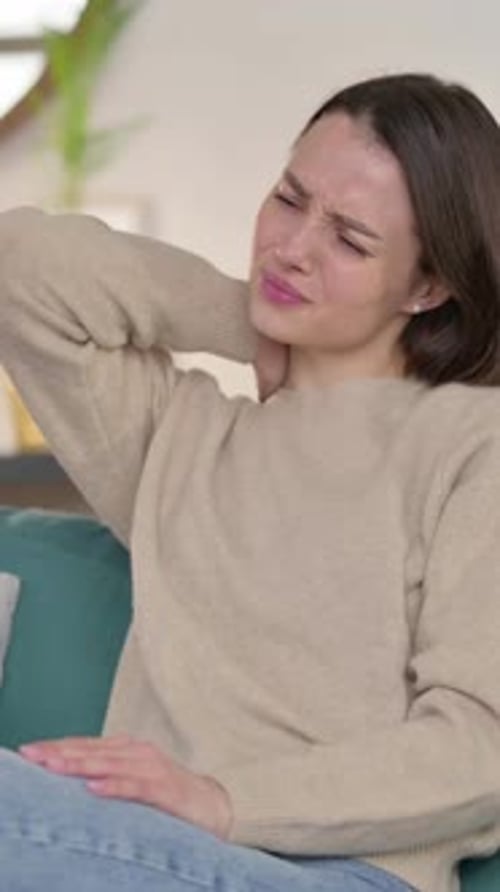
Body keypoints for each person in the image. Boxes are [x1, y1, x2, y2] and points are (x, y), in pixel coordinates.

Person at [0, 71, 500, 892]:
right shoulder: (181, 436)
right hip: (139, 853)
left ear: (428, 286)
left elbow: (482, 744)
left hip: (337, 876)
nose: (292, 247)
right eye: (289, 198)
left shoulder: (473, 446)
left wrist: (228, 801)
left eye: (349, 239)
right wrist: (253, 320)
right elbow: (21, 267)